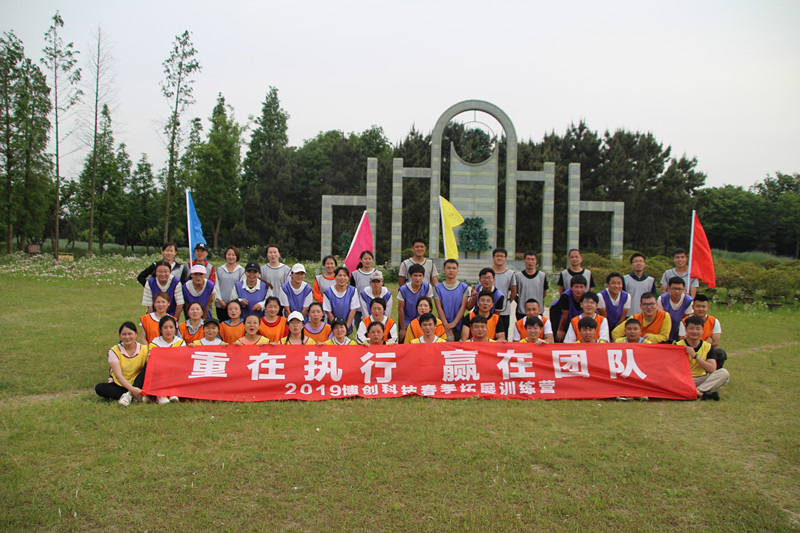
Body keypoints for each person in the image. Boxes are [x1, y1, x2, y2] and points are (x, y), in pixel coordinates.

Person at [95, 322, 150, 406]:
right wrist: (132, 389)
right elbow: (118, 376)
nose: (127, 337)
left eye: (130, 334)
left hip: (138, 382)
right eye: (124, 334)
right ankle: (134, 395)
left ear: (136, 334)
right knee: (100, 388)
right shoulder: (114, 351)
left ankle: (129, 395)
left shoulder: (145, 349)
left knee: (148, 367)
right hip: (120, 384)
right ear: (120, 336)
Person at [676, 315, 730, 400]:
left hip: (701, 378)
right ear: (686, 330)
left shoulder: (707, 346)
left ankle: (696, 391)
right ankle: (700, 393)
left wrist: (695, 356)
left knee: (724, 373)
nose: (694, 332)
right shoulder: (678, 345)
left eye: (698, 329)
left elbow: (712, 369)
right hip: (683, 379)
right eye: (691, 328)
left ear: (702, 331)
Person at [678, 294, 727, 367]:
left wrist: (704, 346)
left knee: (719, 352)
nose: (701, 309)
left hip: (707, 351)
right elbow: (683, 341)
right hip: (689, 351)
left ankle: (714, 370)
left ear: (708, 308)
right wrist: (706, 342)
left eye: (703, 307)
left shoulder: (714, 321)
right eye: (698, 306)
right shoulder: (684, 321)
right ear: (693, 307)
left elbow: (716, 343)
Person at [433, 259, 470, 341]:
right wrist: (446, 324)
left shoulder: (464, 287)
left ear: (457, 271)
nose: (451, 270)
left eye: (454, 268)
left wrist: (454, 323)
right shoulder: (437, 288)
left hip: (459, 324)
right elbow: (439, 307)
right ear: (444, 271)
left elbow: (463, 306)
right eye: (448, 268)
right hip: (443, 324)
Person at [397, 263, 433, 342]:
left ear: (423, 276)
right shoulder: (403, 289)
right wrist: (403, 328)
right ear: (410, 276)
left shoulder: (427, 287)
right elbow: (400, 309)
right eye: (415, 275)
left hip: (422, 321)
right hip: (406, 321)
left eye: (420, 275)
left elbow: (429, 307)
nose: (418, 278)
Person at [489, 248, 517, 339]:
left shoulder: (510, 273)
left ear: (505, 258)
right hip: (488, 309)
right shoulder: (488, 272)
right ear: (493, 257)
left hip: (504, 310)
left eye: (502, 256)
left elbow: (513, 291)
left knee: (503, 335)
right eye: (497, 256)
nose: (499, 258)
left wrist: (507, 301)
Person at [323, 266, 359, 333]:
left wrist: (346, 328)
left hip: (347, 325)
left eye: (344, 276)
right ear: (335, 277)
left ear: (348, 277)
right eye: (339, 275)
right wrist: (336, 328)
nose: (342, 278)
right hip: (331, 326)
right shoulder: (328, 292)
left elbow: (353, 310)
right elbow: (328, 311)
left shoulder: (353, 291)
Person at [214, 245, 245, 322]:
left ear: (237, 256)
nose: (231, 257)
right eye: (229, 254)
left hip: (235, 305)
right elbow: (216, 286)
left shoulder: (241, 271)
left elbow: (241, 288)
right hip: (221, 305)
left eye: (233, 255)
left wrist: (234, 302)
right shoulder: (219, 270)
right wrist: (219, 300)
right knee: (222, 325)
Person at [514, 251, 548, 320]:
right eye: (528, 259)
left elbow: (544, 293)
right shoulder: (518, 276)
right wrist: (520, 301)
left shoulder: (542, 276)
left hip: (537, 312)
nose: (530, 262)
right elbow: (514, 293)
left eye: (532, 259)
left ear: (536, 261)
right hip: (522, 311)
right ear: (524, 260)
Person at [658, 277, 694, 342]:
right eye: (674, 288)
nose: (677, 291)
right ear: (669, 289)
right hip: (664, 329)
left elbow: (686, 319)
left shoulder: (689, 301)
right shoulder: (662, 299)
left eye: (679, 289)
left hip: (680, 330)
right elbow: (660, 317)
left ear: (684, 290)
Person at [553, 276, 588, 342]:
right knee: (559, 336)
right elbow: (565, 315)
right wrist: (560, 330)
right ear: (571, 287)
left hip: (577, 319)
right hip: (559, 316)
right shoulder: (565, 296)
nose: (579, 290)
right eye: (576, 287)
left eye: (581, 287)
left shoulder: (587, 297)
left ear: (585, 288)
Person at [350, 250, 377, 326]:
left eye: (369, 259)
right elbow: (352, 292)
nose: (367, 261)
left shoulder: (377, 274)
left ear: (372, 260)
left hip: (375, 309)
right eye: (365, 259)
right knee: (360, 330)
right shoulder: (355, 274)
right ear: (360, 260)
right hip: (359, 309)